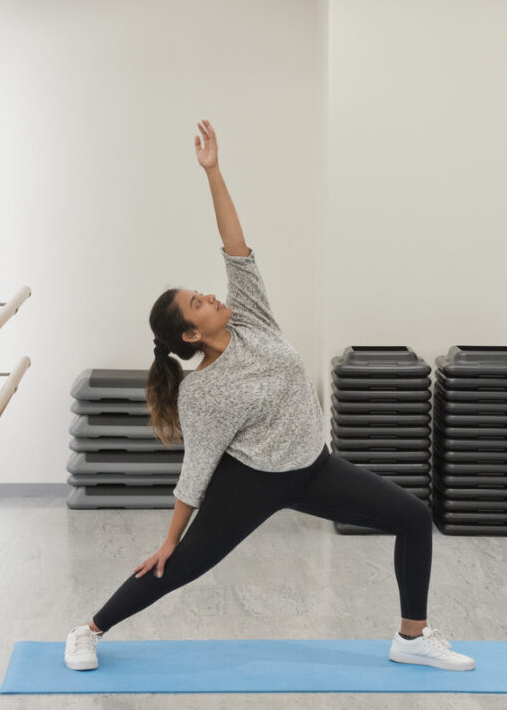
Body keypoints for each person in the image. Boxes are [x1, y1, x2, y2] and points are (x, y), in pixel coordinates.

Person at [63, 121, 472, 673]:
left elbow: (235, 246)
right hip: (251, 483)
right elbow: (197, 470)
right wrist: (169, 539)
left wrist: (213, 172)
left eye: (202, 292)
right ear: (190, 334)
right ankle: (88, 631)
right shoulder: (202, 391)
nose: (209, 294)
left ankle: (412, 637)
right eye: (197, 303)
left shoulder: (251, 318)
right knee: (180, 567)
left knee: (413, 517)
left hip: (313, 465)